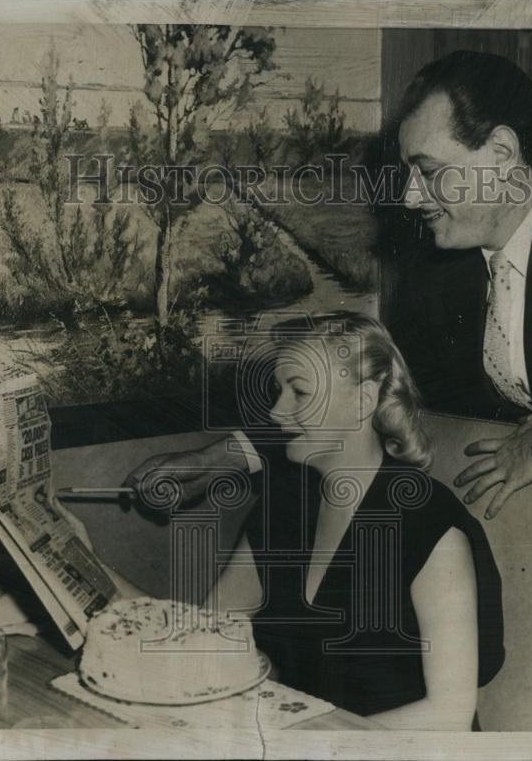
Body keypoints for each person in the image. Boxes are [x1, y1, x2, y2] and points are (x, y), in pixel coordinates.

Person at [126, 51, 532, 521]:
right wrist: (223, 459)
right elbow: (374, 386)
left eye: (429, 172)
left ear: (500, 153)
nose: (412, 197)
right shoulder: (443, 268)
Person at [188, 312, 504, 728]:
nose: (277, 411)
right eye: (278, 390)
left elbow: (449, 714)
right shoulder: (284, 503)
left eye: (298, 392)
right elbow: (207, 632)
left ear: (362, 401)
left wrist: (300, 742)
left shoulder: (429, 527)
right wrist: (90, 573)